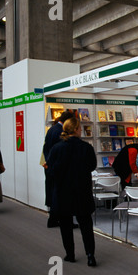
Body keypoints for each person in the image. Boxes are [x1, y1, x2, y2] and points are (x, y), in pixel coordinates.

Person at [46, 117, 97, 266]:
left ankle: (70, 254)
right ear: (75, 129)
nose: (81, 130)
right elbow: (92, 166)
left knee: (66, 225)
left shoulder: (57, 148)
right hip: (82, 191)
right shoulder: (86, 148)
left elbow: (52, 170)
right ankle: (90, 255)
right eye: (80, 128)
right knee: (86, 225)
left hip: (63, 192)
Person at [42, 111, 74, 228]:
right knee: (59, 193)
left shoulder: (52, 129)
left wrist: (49, 163)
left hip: (51, 166)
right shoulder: (60, 132)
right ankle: (58, 220)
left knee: (54, 192)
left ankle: (53, 219)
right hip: (58, 168)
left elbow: (46, 148)